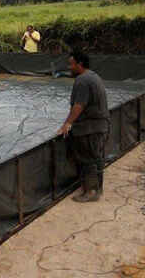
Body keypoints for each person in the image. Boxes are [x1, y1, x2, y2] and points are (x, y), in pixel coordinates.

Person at [57, 51, 110, 203]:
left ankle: (91, 192)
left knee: (88, 160)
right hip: (99, 126)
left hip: (89, 129)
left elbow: (79, 105)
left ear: (79, 64)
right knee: (96, 158)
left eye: (71, 64)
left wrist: (67, 123)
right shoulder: (93, 76)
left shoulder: (82, 80)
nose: (69, 67)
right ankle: (96, 188)